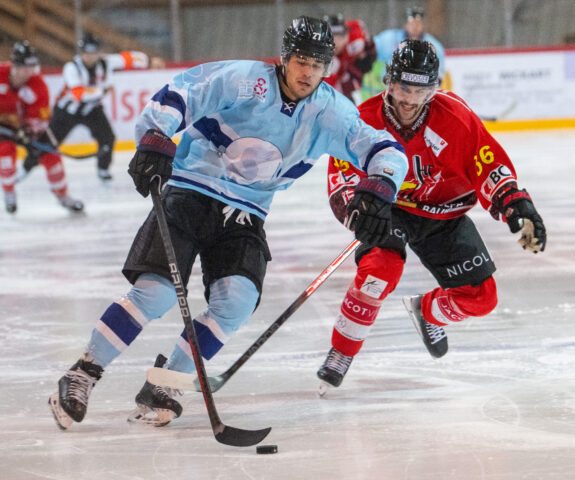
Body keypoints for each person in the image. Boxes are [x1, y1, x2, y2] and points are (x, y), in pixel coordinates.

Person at [48, 16, 409, 430]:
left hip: (246, 213)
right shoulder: (245, 79)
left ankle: (165, 382)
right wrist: (156, 138)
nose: (308, 72)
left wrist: (380, 184)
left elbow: (382, 147)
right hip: (190, 192)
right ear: (286, 57)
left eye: (318, 64)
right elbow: (180, 93)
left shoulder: (329, 110)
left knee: (235, 303)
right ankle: (82, 373)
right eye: (301, 61)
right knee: (157, 294)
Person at [317, 39, 546, 392]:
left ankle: (427, 312)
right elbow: (342, 177)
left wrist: (515, 203)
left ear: (434, 89)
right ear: (389, 82)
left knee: (482, 297)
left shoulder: (456, 118)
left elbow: (488, 163)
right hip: (389, 209)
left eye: (420, 89)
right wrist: (356, 209)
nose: (409, 99)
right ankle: (341, 352)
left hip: (444, 215)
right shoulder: (363, 119)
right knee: (379, 271)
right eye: (403, 88)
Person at [43, 33, 164, 181]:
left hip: (92, 109)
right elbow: (78, 94)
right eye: (87, 53)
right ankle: (29, 165)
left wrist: (149, 61)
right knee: (48, 143)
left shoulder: (106, 63)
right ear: (81, 53)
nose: (90, 57)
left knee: (108, 138)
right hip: (66, 112)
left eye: (93, 53)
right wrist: (102, 91)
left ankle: (103, 169)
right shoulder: (71, 67)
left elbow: (129, 58)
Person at [0, 41, 84, 214]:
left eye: (32, 67)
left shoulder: (38, 86)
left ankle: (63, 195)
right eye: (25, 67)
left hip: (26, 129)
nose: (30, 72)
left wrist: (31, 133)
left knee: (51, 157)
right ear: (15, 64)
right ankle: (9, 193)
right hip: (3, 130)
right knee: (6, 153)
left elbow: (40, 121)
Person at [361, 6, 447, 102]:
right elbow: (368, 51)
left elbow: (437, 79)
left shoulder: (434, 46)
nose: (415, 26)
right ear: (406, 24)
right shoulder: (389, 38)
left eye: (418, 22)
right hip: (385, 92)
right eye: (412, 22)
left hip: (417, 97)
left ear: (423, 24)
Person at [322, 13, 377, 104]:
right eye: (329, 37)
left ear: (347, 34)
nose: (334, 42)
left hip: (350, 65)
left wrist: (367, 57)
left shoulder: (357, 39)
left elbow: (370, 52)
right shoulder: (321, 55)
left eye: (339, 36)